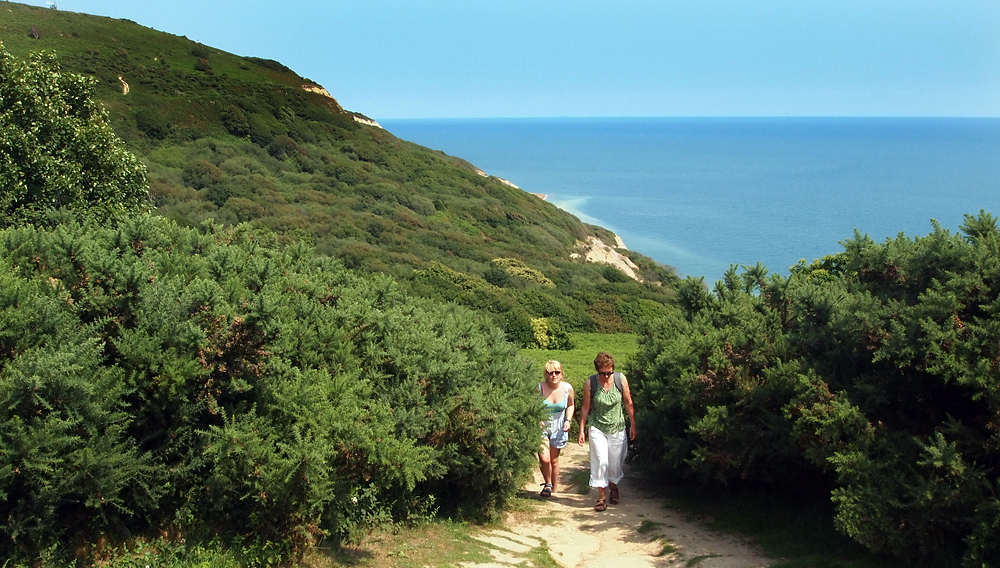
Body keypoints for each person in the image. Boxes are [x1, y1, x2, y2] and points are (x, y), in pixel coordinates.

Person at [577, 352, 636, 512]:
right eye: (602, 373)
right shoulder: (591, 383)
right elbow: (585, 407)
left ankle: (613, 484)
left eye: (609, 372)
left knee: (615, 463)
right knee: (601, 461)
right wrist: (582, 429)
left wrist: (632, 424)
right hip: (597, 427)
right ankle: (601, 497)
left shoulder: (620, 380)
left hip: (617, 426)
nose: (606, 376)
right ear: (597, 371)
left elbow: (628, 402)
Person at [538, 360, 575, 497]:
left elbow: (571, 405)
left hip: (559, 426)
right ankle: (547, 484)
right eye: (550, 372)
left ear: (561, 373)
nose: (554, 375)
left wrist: (568, 420)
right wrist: (537, 419)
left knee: (554, 460)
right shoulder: (539, 388)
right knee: (544, 459)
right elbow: (532, 406)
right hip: (542, 426)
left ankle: (554, 488)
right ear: (546, 374)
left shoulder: (567, 388)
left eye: (557, 372)